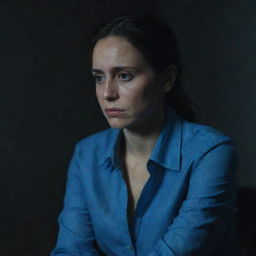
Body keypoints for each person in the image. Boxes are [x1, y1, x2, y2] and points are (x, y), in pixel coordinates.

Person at [51, 14, 238, 256]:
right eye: (99, 77)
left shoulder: (211, 153)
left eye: (124, 75)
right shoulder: (86, 154)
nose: (107, 93)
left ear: (168, 79)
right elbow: (71, 250)